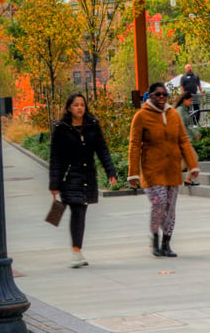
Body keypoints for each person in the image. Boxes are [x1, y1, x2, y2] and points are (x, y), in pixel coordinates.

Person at [127, 82, 199, 258]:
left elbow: (183, 141)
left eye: (164, 95)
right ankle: (155, 238)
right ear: (150, 96)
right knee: (159, 202)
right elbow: (134, 145)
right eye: (158, 94)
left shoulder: (173, 114)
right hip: (152, 169)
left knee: (170, 207)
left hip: (172, 169)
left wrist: (192, 166)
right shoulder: (141, 116)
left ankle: (167, 243)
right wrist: (133, 173)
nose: (161, 97)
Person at [49, 94, 119, 269]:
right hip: (69, 175)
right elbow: (55, 158)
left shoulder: (92, 126)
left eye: (82, 105)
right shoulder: (61, 129)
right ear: (69, 108)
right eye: (75, 105)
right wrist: (54, 185)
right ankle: (76, 252)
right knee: (77, 212)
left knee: (81, 212)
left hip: (87, 175)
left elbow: (102, 150)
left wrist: (110, 171)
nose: (79, 108)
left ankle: (77, 251)